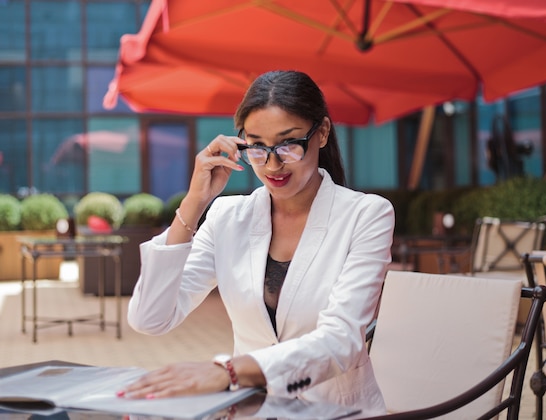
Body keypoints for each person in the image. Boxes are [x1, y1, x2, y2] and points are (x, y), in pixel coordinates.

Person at [118, 70, 395, 415]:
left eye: (288, 144)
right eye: (257, 147)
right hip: (252, 411)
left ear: (321, 133)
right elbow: (150, 318)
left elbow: (341, 341)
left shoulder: (366, 215)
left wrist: (227, 371)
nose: (272, 164)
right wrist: (194, 202)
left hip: (334, 411)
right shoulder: (227, 217)